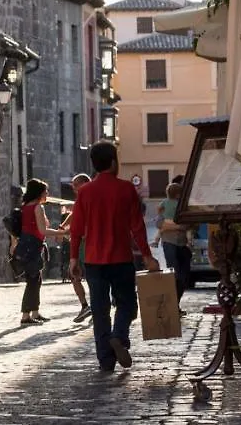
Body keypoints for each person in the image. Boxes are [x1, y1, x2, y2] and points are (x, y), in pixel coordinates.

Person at [70, 142, 160, 372]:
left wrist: (73, 259)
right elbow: (137, 227)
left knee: (100, 311)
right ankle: (119, 337)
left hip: (93, 261)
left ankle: (106, 360)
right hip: (121, 259)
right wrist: (148, 257)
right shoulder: (126, 189)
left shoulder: (85, 192)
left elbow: (76, 229)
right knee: (127, 304)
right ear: (113, 162)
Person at [16, 178, 67, 326]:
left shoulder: (25, 207)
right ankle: (26, 316)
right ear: (39, 193)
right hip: (33, 247)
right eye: (46, 191)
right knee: (32, 281)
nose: (47, 194)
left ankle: (35, 312)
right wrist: (61, 233)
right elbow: (42, 230)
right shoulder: (37, 208)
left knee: (36, 280)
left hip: (26, 245)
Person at [57, 173, 93, 323]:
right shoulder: (80, 198)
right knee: (74, 275)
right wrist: (63, 226)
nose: (73, 188)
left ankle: (95, 306)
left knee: (92, 275)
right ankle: (86, 306)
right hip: (80, 242)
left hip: (88, 242)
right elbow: (74, 213)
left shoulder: (91, 197)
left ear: (84, 183)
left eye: (75, 185)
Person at [158, 178, 193, 309]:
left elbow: (189, 223)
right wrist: (178, 226)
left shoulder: (184, 206)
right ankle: (173, 305)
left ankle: (175, 303)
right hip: (169, 242)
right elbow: (159, 223)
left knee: (184, 276)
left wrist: (171, 226)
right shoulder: (166, 205)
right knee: (175, 274)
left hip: (182, 243)